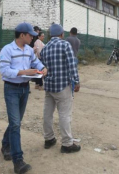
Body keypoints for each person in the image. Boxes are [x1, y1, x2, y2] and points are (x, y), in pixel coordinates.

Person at [0, 23, 47, 174]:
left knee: (16, 121)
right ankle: (18, 161)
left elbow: (36, 62)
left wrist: (43, 68)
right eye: (30, 35)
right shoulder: (7, 50)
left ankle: (5, 144)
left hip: (24, 89)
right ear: (22, 35)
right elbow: (4, 70)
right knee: (15, 124)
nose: (32, 37)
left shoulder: (29, 50)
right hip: (11, 89)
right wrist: (23, 72)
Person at [40, 23, 81, 154]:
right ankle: (67, 144)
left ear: (50, 35)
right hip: (63, 86)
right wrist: (77, 81)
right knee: (64, 114)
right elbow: (71, 65)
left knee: (47, 113)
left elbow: (43, 68)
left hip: (49, 87)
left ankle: (49, 139)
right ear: (62, 34)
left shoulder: (45, 48)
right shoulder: (65, 45)